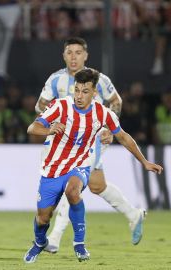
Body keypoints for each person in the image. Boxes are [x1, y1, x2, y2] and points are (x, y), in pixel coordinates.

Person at [24, 68, 163, 263]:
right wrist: (48, 129)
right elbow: (32, 127)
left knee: (74, 191)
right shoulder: (60, 106)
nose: (79, 96)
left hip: (80, 163)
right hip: (52, 168)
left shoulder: (103, 113)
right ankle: (40, 242)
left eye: (85, 91)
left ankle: (79, 244)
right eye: (77, 90)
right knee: (43, 218)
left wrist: (144, 161)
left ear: (94, 93)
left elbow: (123, 137)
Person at [35, 37, 146, 253]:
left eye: (78, 52)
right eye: (69, 52)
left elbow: (116, 101)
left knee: (71, 182)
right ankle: (134, 214)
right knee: (97, 185)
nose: (73, 57)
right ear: (63, 55)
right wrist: (51, 117)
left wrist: (107, 127)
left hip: (91, 138)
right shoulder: (55, 80)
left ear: (86, 55)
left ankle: (55, 237)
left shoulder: (99, 79)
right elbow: (40, 105)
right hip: (64, 141)